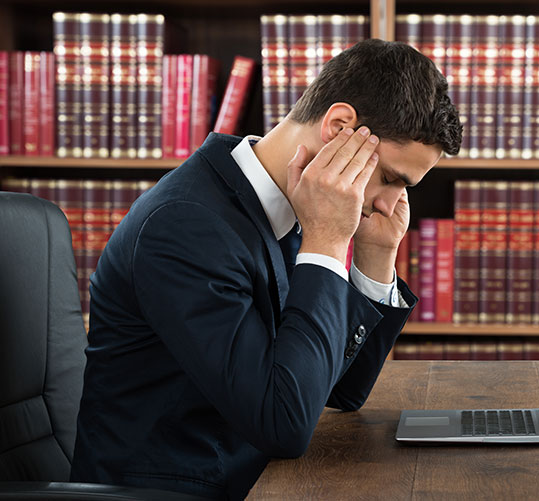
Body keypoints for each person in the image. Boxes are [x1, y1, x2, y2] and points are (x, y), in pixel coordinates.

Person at [70, 39, 462, 500]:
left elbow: (340, 392)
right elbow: (283, 425)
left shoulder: (291, 203)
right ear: (338, 128)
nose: (388, 203)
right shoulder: (183, 225)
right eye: (393, 179)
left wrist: (374, 260)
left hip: (257, 480)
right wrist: (329, 241)